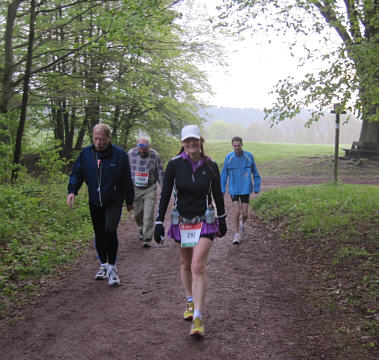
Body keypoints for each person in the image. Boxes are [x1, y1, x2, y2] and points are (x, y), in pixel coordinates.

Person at [154, 124, 227, 338]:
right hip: (182, 220)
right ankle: (189, 300)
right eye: (187, 141)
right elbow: (165, 194)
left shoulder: (211, 165)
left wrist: (222, 220)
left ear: (201, 141)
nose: (191, 144)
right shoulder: (174, 165)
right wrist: (159, 222)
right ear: (183, 143)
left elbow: (218, 194)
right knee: (185, 263)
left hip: (205, 220)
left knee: (197, 265)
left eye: (195, 140)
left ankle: (198, 316)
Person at [67, 123, 134, 286]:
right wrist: (72, 191)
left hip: (114, 199)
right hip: (95, 201)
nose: (98, 142)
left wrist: (129, 200)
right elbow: (77, 174)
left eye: (102, 139)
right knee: (99, 233)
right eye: (95, 139)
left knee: (110, 230)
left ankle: (112, 267)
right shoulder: (86, 154)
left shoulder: (119, 155)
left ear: (108, 138)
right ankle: (103, 264)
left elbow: (126, 179)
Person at [221, 136, 261, 244]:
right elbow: (224, 174)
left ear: (242, 145)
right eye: (234, 146)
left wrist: (257, 186)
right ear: (232, 146)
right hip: (234, 189)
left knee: (245, 214)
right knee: (236, 212)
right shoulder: (228, 158)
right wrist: (222, 189)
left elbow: (255, 173)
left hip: (245, 188)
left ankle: (242, 224)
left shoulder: (249, 156)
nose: (236, 148)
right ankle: (237, 235)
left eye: (238, 145)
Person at [128, 138, 164, 248]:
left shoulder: (155, 155)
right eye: (140, 148)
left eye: (144, 148)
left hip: (150, 187)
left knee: (148, 214)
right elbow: (125, 170)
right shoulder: (130, 154)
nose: (142, 151)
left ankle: (147, 238)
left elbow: (160, 173)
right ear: (137, 147)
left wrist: (164, 189)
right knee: (137, 213)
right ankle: (140, 229)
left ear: (148, 146)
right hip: (135, 188)